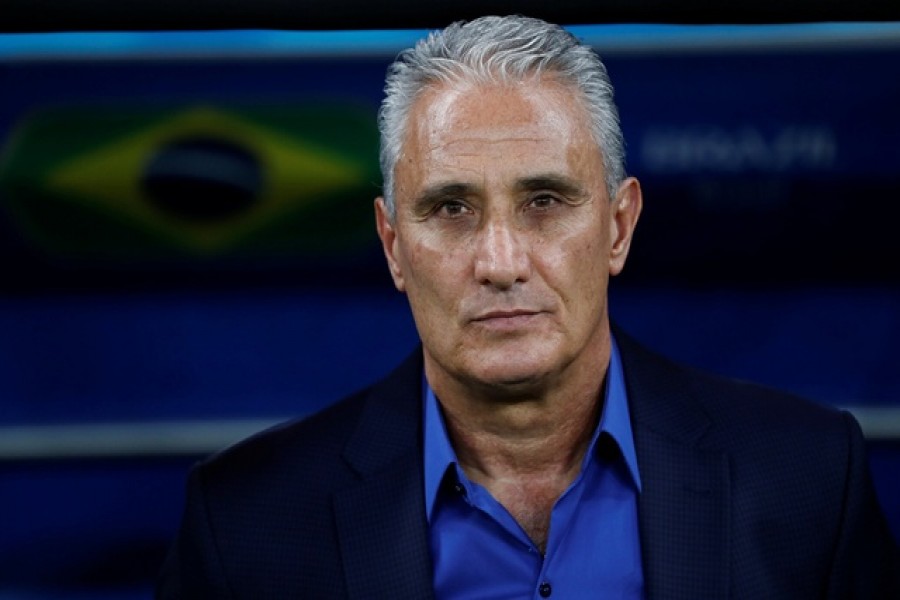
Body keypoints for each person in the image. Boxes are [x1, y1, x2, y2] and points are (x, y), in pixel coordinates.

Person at [157, 15, 899, 599]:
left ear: (618, 225)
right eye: (450, 208)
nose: (501, 263)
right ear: (392, 245)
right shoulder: (245, 523)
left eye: (544, 201)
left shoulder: (808, 481)